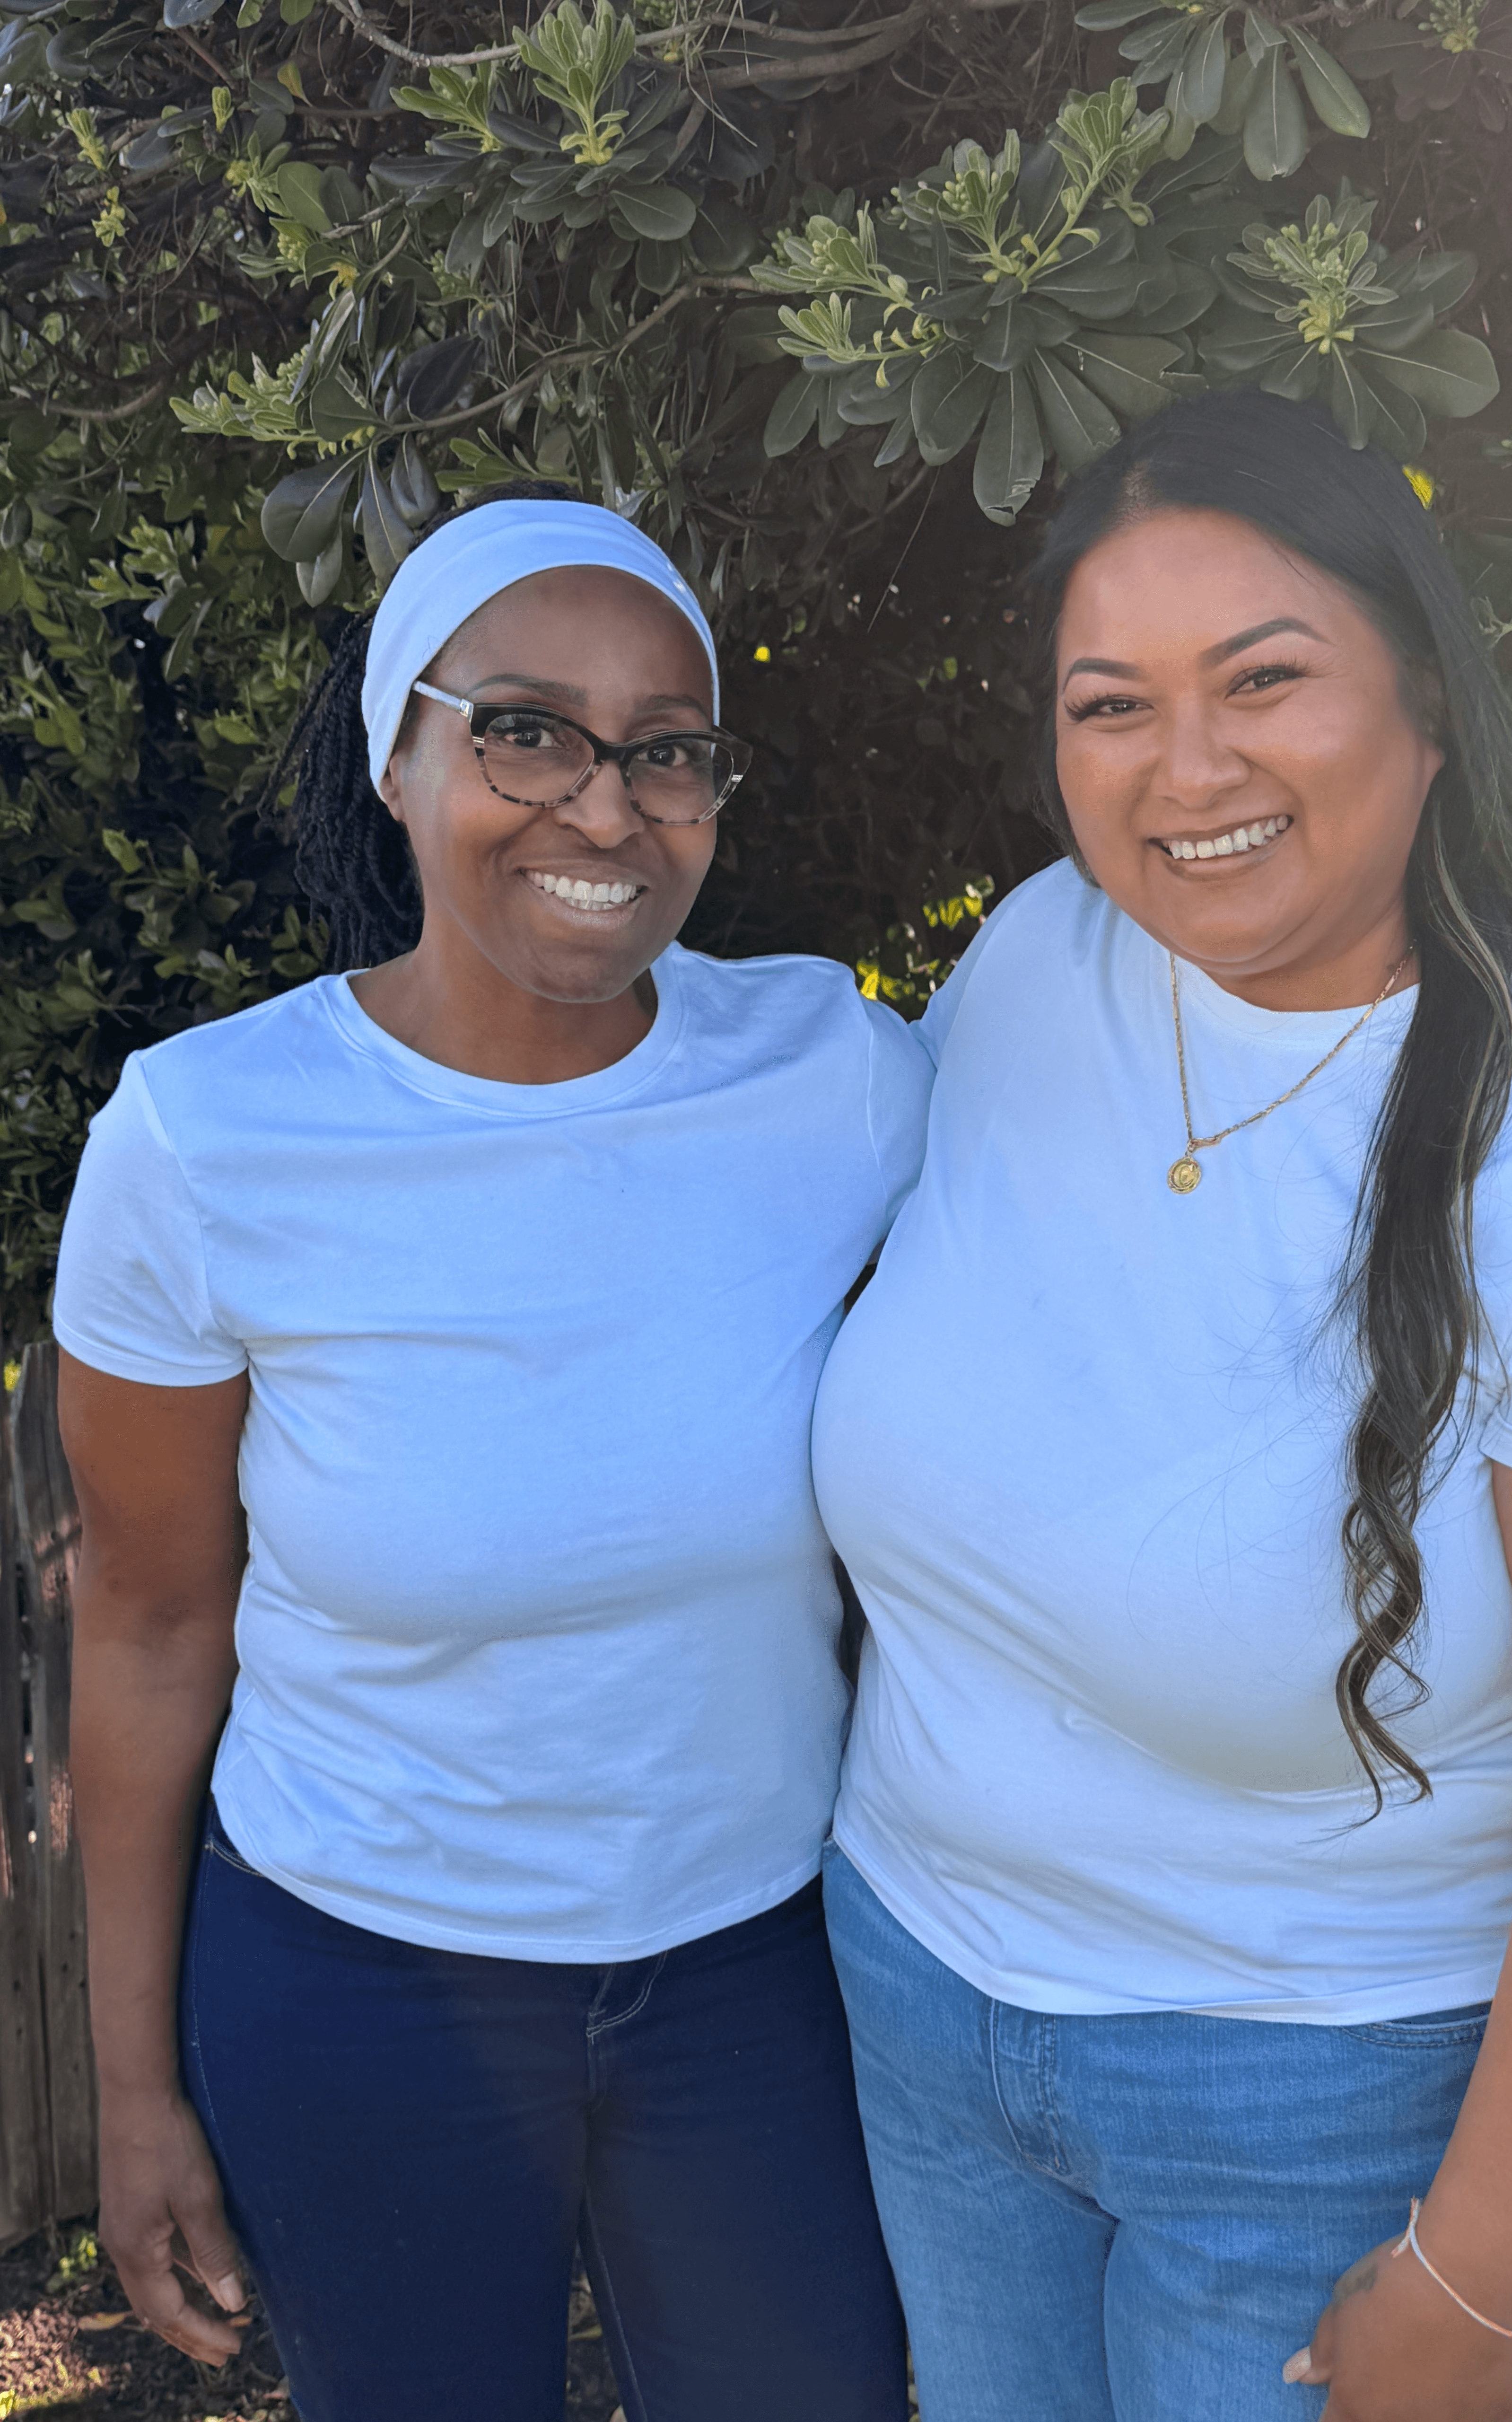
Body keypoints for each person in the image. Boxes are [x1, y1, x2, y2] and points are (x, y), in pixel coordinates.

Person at [809, 391, 1512, 2422]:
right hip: (926, 2003)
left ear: (1428, 703)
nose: (1189, 768)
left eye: (1265, 677)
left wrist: (1481, 2266)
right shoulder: (1031, 967)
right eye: (1113, 704)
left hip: (1334, 2095)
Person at [54, 491, 925, 2422]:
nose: (603, 806)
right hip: (367, 1984)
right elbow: (143, 1625)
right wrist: (135, 2092)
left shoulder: (839, 1078)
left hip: (759, 1974)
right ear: (398, 752)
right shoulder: (208, 1140)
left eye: (667, 747)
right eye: (524, 726)